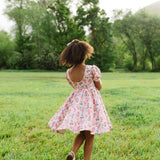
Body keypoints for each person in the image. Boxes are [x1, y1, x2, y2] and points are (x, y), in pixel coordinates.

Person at [48, 39, 112, 160]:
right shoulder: (92, 69)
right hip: (90, 105)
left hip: (76, 106)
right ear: (84, 55)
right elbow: (98, 87)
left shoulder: (69, 72)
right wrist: (96, 82)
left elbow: (75, 87)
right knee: (90, 135)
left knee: (82, 133)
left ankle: (73, 153)